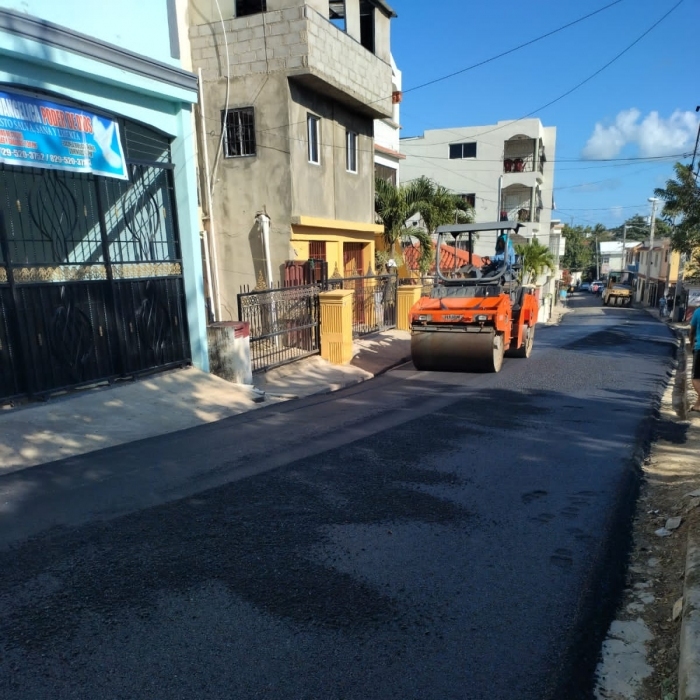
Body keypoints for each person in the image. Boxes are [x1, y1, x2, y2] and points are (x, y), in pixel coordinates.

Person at [690, 306, 700, 412]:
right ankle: (697, 405)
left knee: (695, 378)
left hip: (699, 348)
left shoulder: (698, 312)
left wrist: (691, 343)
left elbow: (692, 331)